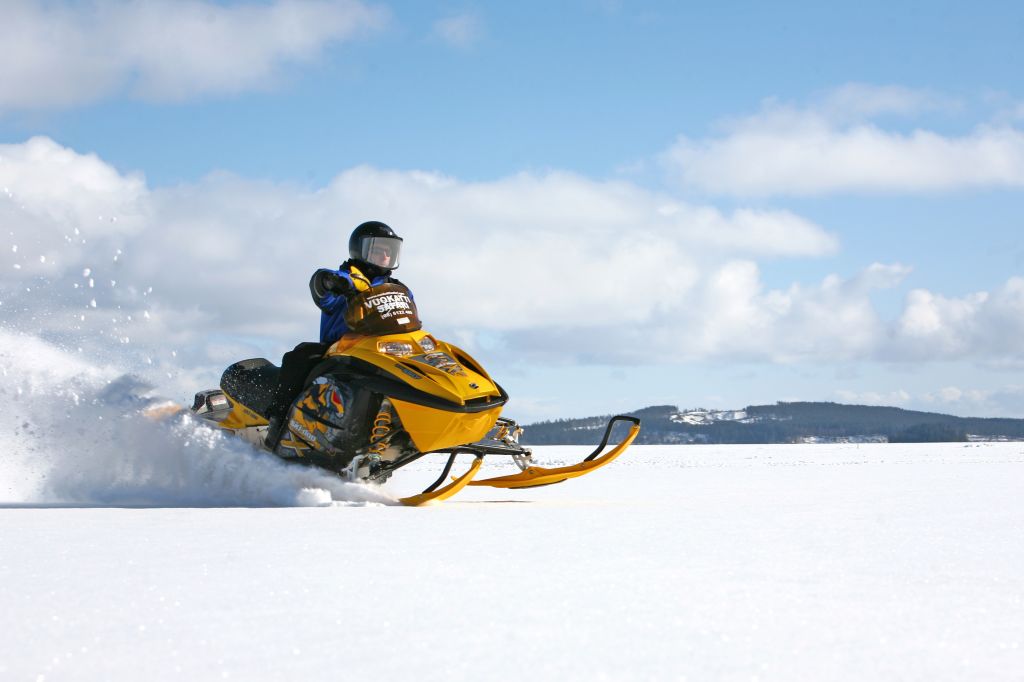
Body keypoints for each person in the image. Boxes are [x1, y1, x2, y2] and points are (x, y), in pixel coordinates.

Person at [264, 220, 409, 449]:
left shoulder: (397, 288)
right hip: (342, 349)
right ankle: (278, 421)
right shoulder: (344, 279)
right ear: (360, 250)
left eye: (389, 250)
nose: (385, 256)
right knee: (301, 355)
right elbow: (322, 290)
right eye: (378, 249)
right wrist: (330, 281)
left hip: (384, 350)